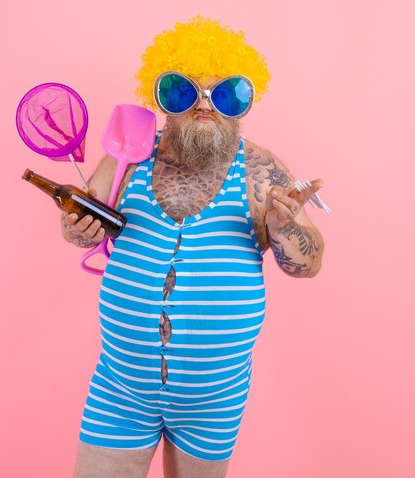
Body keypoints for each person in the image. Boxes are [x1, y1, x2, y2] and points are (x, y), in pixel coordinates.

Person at [61, 16, 325, 478]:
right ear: (160, 99)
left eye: (225, 93)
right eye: (182, 90)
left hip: (213, 401)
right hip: (120, 390)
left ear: (245, 102)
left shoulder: (262, 172)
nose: (205, 103)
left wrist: (285, 228)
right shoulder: (128, 155)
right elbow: (80, 224)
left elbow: (308, 264)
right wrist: (76, 227)